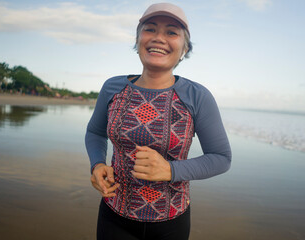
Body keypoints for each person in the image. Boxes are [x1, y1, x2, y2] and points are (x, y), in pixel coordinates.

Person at [85, 3, 231, 240]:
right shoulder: (113, 87)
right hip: (114, 214)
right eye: (150, 29)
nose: (159, 38)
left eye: (172, 32)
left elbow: (221, 158)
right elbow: (95, 132)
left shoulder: (197, 96)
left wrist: (170, 169)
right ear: (138, 40)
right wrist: (97, 164)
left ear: (184, 48)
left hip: (171, 221)